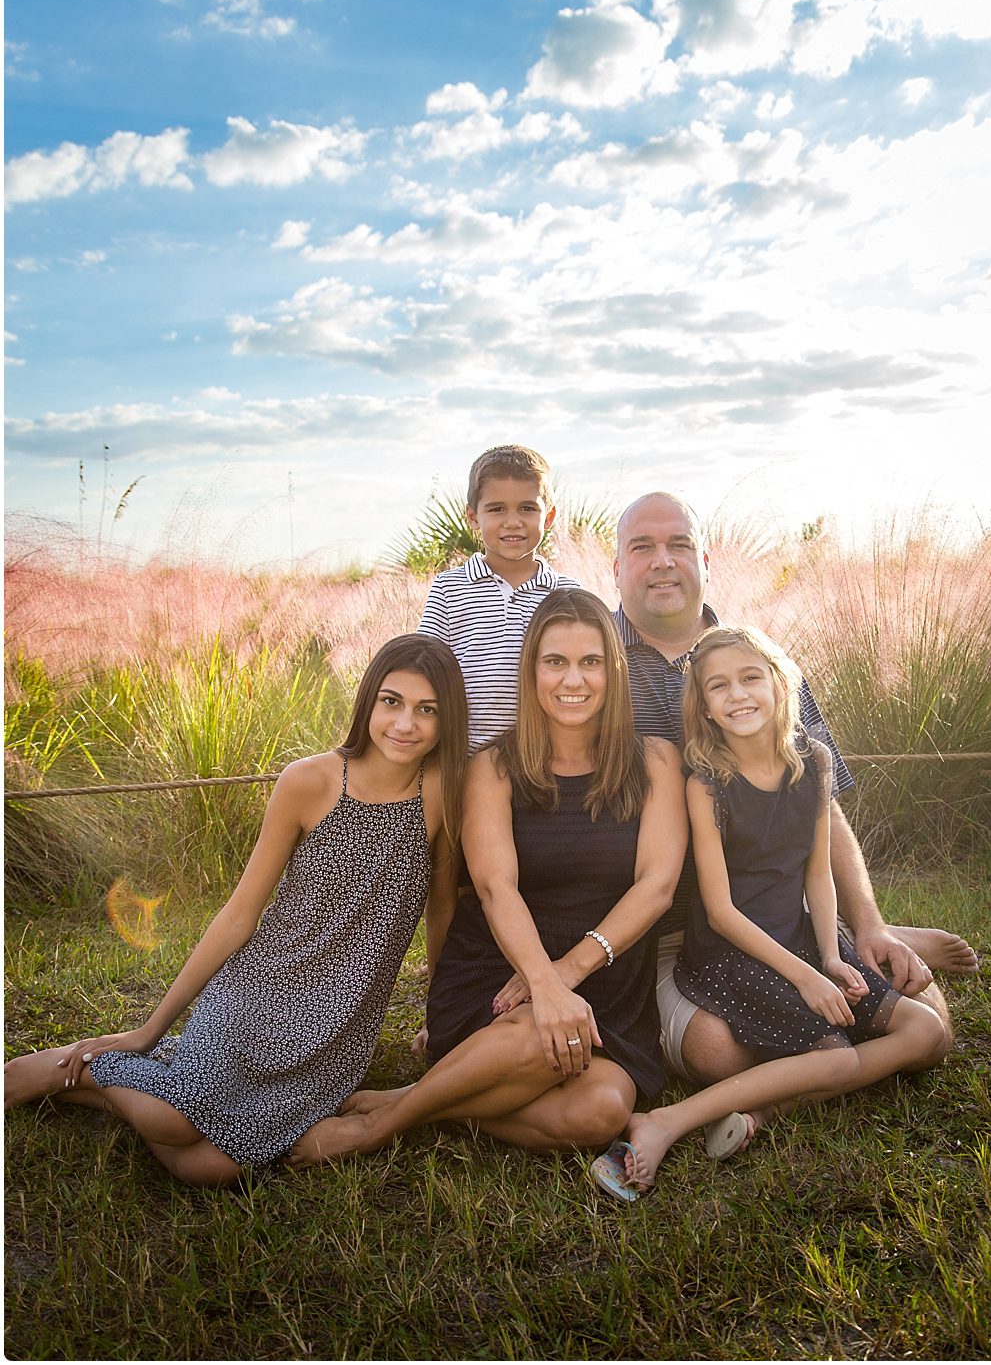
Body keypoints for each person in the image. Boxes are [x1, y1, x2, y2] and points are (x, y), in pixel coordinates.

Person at [4, 635, 469, 1187]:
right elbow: (240, 914)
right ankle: (79, 1071)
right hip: (260, 987)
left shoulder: (442, 791)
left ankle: (104, 1084)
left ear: (447, 721)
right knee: (173, 1122)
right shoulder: (310, 781)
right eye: (391, 701)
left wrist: (438, 1019)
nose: (405, 723)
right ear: (368, 699)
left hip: (342, 1021)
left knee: (208, 1168)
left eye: (427, 710)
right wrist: (149, 1030)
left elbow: (442, 911)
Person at [288, 589, 696, 1166]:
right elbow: (494, 886)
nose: (572, 679)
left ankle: (419, 1101)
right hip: (498, 971)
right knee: (535, 1036)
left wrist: (561, 977)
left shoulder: (655, 761)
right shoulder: (494, 766)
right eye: (554, 661)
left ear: (614, 669)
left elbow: (656, 886)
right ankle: (379, 1128)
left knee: (601, 1112)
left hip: (603, 975)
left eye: (590, 662)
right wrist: (540, 981)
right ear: (531, 671)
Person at [612, 492, 976, 1091]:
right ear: (617, 566)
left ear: (706, 558)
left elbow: (817, 806)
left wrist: (870, 926)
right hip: (682, 934)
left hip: (788, 911)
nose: (663, 561)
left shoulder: (761, 661)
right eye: (642, 547)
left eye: (679, 545)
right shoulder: (594, 668)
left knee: (931, 1028)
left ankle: (871, 935)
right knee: (717, 1054)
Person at [593, 625, 948, 1198]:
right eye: (719, 686)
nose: (738, 695)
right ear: (703, 706)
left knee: (926, 1031)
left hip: (804, 934)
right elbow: (722, 909)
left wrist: (831, 957)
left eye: (751, 678)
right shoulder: (706, 784)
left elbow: (816, 873)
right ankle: (665, 1122)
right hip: (730, 952)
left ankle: (768, 1108)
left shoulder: (815, 762)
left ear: (780, 683)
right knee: (834, 1059)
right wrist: (806, 978)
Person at [418, 444, 579, 751]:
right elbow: (425, 669)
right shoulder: (449, 589)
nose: (513, 521)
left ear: (549, 517)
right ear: (473, 517)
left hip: (544, 758)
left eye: (527, 508)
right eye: (496, 509)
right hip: (464, 756)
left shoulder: (567, 593)